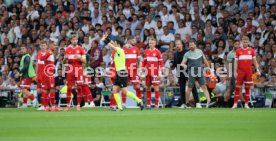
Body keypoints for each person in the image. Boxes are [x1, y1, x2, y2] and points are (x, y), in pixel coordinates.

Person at [102, 34, 143, 111]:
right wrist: (107, 38)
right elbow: (112, 43)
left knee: (125, 91)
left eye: (115, 43)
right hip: (119, 73)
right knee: (115, 90)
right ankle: (120, 107)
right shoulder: (120, 49)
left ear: (118, 44)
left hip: (122, 73)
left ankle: (139, 100)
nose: (114, 43)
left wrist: (104, 40)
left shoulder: (120, 50)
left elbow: (111, 45)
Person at [171, 39, 201, 108]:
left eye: (178, 44)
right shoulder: (175, 54)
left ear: (182, 45)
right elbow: (175, 64)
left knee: (192, 87)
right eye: (176, 44)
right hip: (180, 73)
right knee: (182, 89)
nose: (177, 46)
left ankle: (197, 103)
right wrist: (172, 65)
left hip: (188, 71)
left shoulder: (187, 52)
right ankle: (184, 103)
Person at [181, 39, 211, 108]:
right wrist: (184, 66)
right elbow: (182, 63)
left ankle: (208, 101)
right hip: (191, 72)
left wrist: (208, 68)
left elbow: (205, 60)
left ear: (195, 45)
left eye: (192, 45)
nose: (191, 46)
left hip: (200, 71)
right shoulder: (187, 54)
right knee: (189, 88)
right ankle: (187, 103)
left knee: (204, 86)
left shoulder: (200, 52)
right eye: (189, 45)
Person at [232, 36, 260, 109]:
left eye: (246, 42)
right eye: (244, 42)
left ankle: (246, 104)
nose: (245, 43)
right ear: (242, 42)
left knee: (247, 88)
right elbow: (236, 62)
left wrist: (257, 70)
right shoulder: (238, 51)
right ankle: (235, 104)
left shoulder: (251, 50)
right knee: (238, 88)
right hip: (240, 72)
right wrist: (235, 71)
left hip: (248, 72)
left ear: (248, 42)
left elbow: (255, 61)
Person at [63, 35, 87, 111]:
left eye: (76, 39)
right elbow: (64, 62)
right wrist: (65, 59)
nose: (74, 41)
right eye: (73, 40)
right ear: (71, 41)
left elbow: (85, 62)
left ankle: (78, 105)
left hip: (78, 70)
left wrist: (80, 57)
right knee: (69, 88)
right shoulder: (67, 50)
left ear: (77, 40)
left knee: (79, 87)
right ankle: (68, 106)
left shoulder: (81, 49)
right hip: (70, 70)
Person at [38, 42, 60, 112]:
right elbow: (41, 58)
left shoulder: (49, 52)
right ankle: (53, 106)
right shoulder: (48, 52)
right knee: (52, 89)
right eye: (54, 45)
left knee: (46, 90)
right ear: (50, 46)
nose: (55, 46)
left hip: (47, 73)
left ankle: (47, 107)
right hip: (48, 74)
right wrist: (48, 54)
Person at [121, 38, 142, 108]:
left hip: (134, 70)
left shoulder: (136, 49)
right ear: (128, 41)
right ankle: (123, 104)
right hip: (126, 70)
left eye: (134, 40)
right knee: (124, 87)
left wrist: (139, 68)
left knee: (137, 86)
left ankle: (139, 102)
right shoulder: (123, 49)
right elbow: (121, 60)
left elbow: (139, 60)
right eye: (132, 40)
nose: (134, 41)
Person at [142, 38, 164, 109]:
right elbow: (144, 62)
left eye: (152, 43)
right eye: (150, 43)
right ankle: (148, 104)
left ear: (155, 44)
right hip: (148, 73)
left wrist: (159, 73)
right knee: (148, 88)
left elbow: (161, 64)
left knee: (156, 88)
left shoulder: (158, 52)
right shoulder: (146, 51)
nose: (150, 44)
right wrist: (142, 71)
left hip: (155, 73)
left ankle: (156, 105)